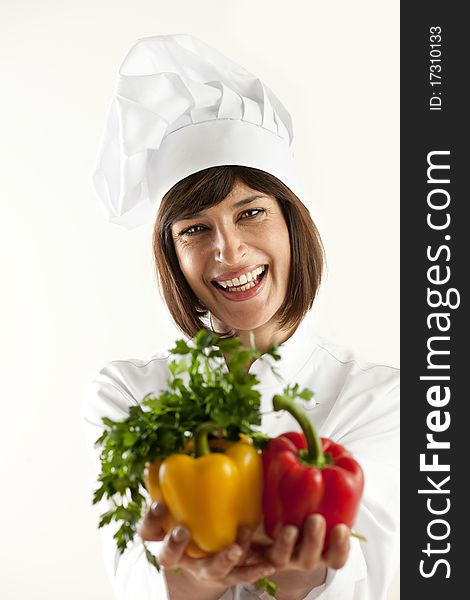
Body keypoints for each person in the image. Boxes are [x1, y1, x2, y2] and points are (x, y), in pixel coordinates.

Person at [82, 35, 399, 600]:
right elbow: (130, 577)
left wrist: (303, 573)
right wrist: (186, 578)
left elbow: (376, 571)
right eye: (195, 229)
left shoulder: (382, 398)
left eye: (250, 212)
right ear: (173, 256)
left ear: (292, 225)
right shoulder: (129, 394)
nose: (228, 252)